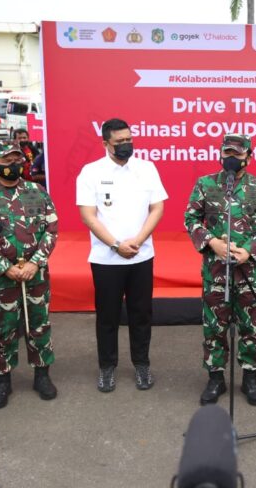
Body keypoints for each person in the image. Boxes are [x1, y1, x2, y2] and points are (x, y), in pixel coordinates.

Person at [184, 134, 256, 406]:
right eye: (227, 153)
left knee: (250, 325)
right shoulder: (205, 184)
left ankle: (250, 377)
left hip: (248, 272)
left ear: (249, 157)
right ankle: (215, 377)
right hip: (215, 271)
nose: (230, 159)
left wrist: (249, 250)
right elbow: (190, 218)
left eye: (237, 155)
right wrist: (212, 242)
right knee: (214, 325)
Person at [0, 141, 59, 409]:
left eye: (17, 159)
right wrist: (4, 267)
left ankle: (42, 374)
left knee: (38, 324)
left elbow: (51, 230)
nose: (13, 165)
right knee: (1, 328)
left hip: (35, 274)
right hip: (0, 277)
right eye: (7, 161)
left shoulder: (37, 191)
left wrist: (35, 263)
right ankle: (2, 381)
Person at [76, 118, 167, 393]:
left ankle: (141, 364)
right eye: (120, 142)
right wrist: (116, 245)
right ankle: (107, 368)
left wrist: (137, 241)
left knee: (141, 314)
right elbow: (88, 216)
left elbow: (157, 208)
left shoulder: (146, 168)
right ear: (105, 143)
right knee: (107, 317)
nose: (127, 145)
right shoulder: (90, 172)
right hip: (106, 259)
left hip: (141, 256)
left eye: (129, 139)